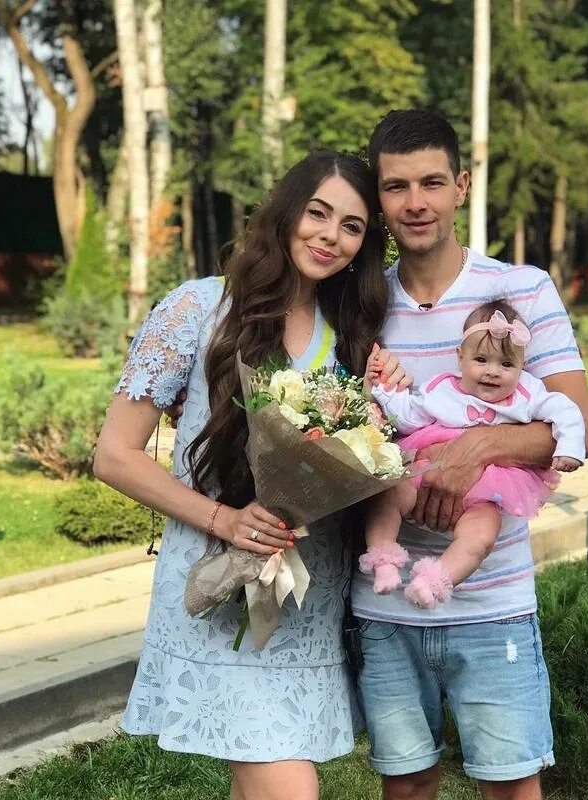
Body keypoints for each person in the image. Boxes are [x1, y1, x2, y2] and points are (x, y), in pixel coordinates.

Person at [93, 150, 408, 800]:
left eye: (351, 226)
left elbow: (362, 456)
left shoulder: (353, 337)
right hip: (218, 585)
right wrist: (226, 520)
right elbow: (114, 455)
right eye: (318, 213)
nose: (331, 235)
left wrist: (388, 399)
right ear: (286, 212)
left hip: (307, 601)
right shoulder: (198, 308)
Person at [351, 110, 588, 800]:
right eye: (396, 186)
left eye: (432, 182)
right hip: (385, 605)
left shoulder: (522, 291)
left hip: (493, 601)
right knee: (407, 786)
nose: (416, 202)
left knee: (510, 787)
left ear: (461, 185)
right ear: (378, 198)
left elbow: (582, 428)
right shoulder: (361, 302)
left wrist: (476, 446)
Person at [359, 299, 585, 609]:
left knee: (482, 535)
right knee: (388, 495)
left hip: (489, 489)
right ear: (460, 357)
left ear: (522, 366)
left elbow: (565, 410)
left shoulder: (527, 394)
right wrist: (383, 389)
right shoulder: (443, 390)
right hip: (429, 466)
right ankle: (384, 561)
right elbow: (409, 416)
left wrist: (569, 448)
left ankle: (433, 582)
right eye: (481, 359)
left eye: (506, 365)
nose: (493, 372)